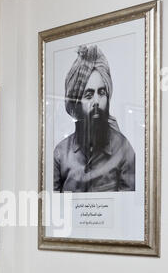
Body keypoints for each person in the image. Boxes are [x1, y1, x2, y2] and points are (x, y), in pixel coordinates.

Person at [54, 45, 135, 193]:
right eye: (89, 95)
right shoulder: (61, 153)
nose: (97, 101)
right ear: (77, 104)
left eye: (102, 93)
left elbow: (128, 209)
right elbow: (53, 207)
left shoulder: (123, 149)